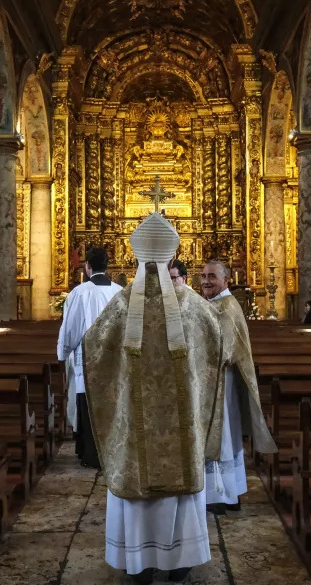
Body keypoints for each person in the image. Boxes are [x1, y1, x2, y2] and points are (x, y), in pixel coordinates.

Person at [82, 213, 224, 583]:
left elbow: (93, 349)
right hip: (181, 433)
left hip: (136, 434)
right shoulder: (194, 307)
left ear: (137, 258)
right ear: (170, 258)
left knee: (137, 476)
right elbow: (215, 348)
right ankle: (179, 560)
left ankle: (137, 560)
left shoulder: (119, 308)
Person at [200, 260, 277, 514]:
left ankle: (220, 496)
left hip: (221, 382)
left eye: (212, 276)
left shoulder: (227, 306)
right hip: (216, 382)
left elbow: (225, 349)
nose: (206, 281)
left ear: (226, 279)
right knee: (223, 437)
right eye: (203, 276)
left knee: (221, 437)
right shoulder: (215, 304)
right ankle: (229, 493)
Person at [57, 246, 122, 469]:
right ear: (107, 266)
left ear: (88, 267)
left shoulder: (79, 293)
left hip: (87, 361)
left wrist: (63, 352)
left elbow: (71, 329)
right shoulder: (119, 292)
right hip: (114, 362)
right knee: (112, 404)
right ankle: (113, 453)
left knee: (87, 403)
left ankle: (90, 454)